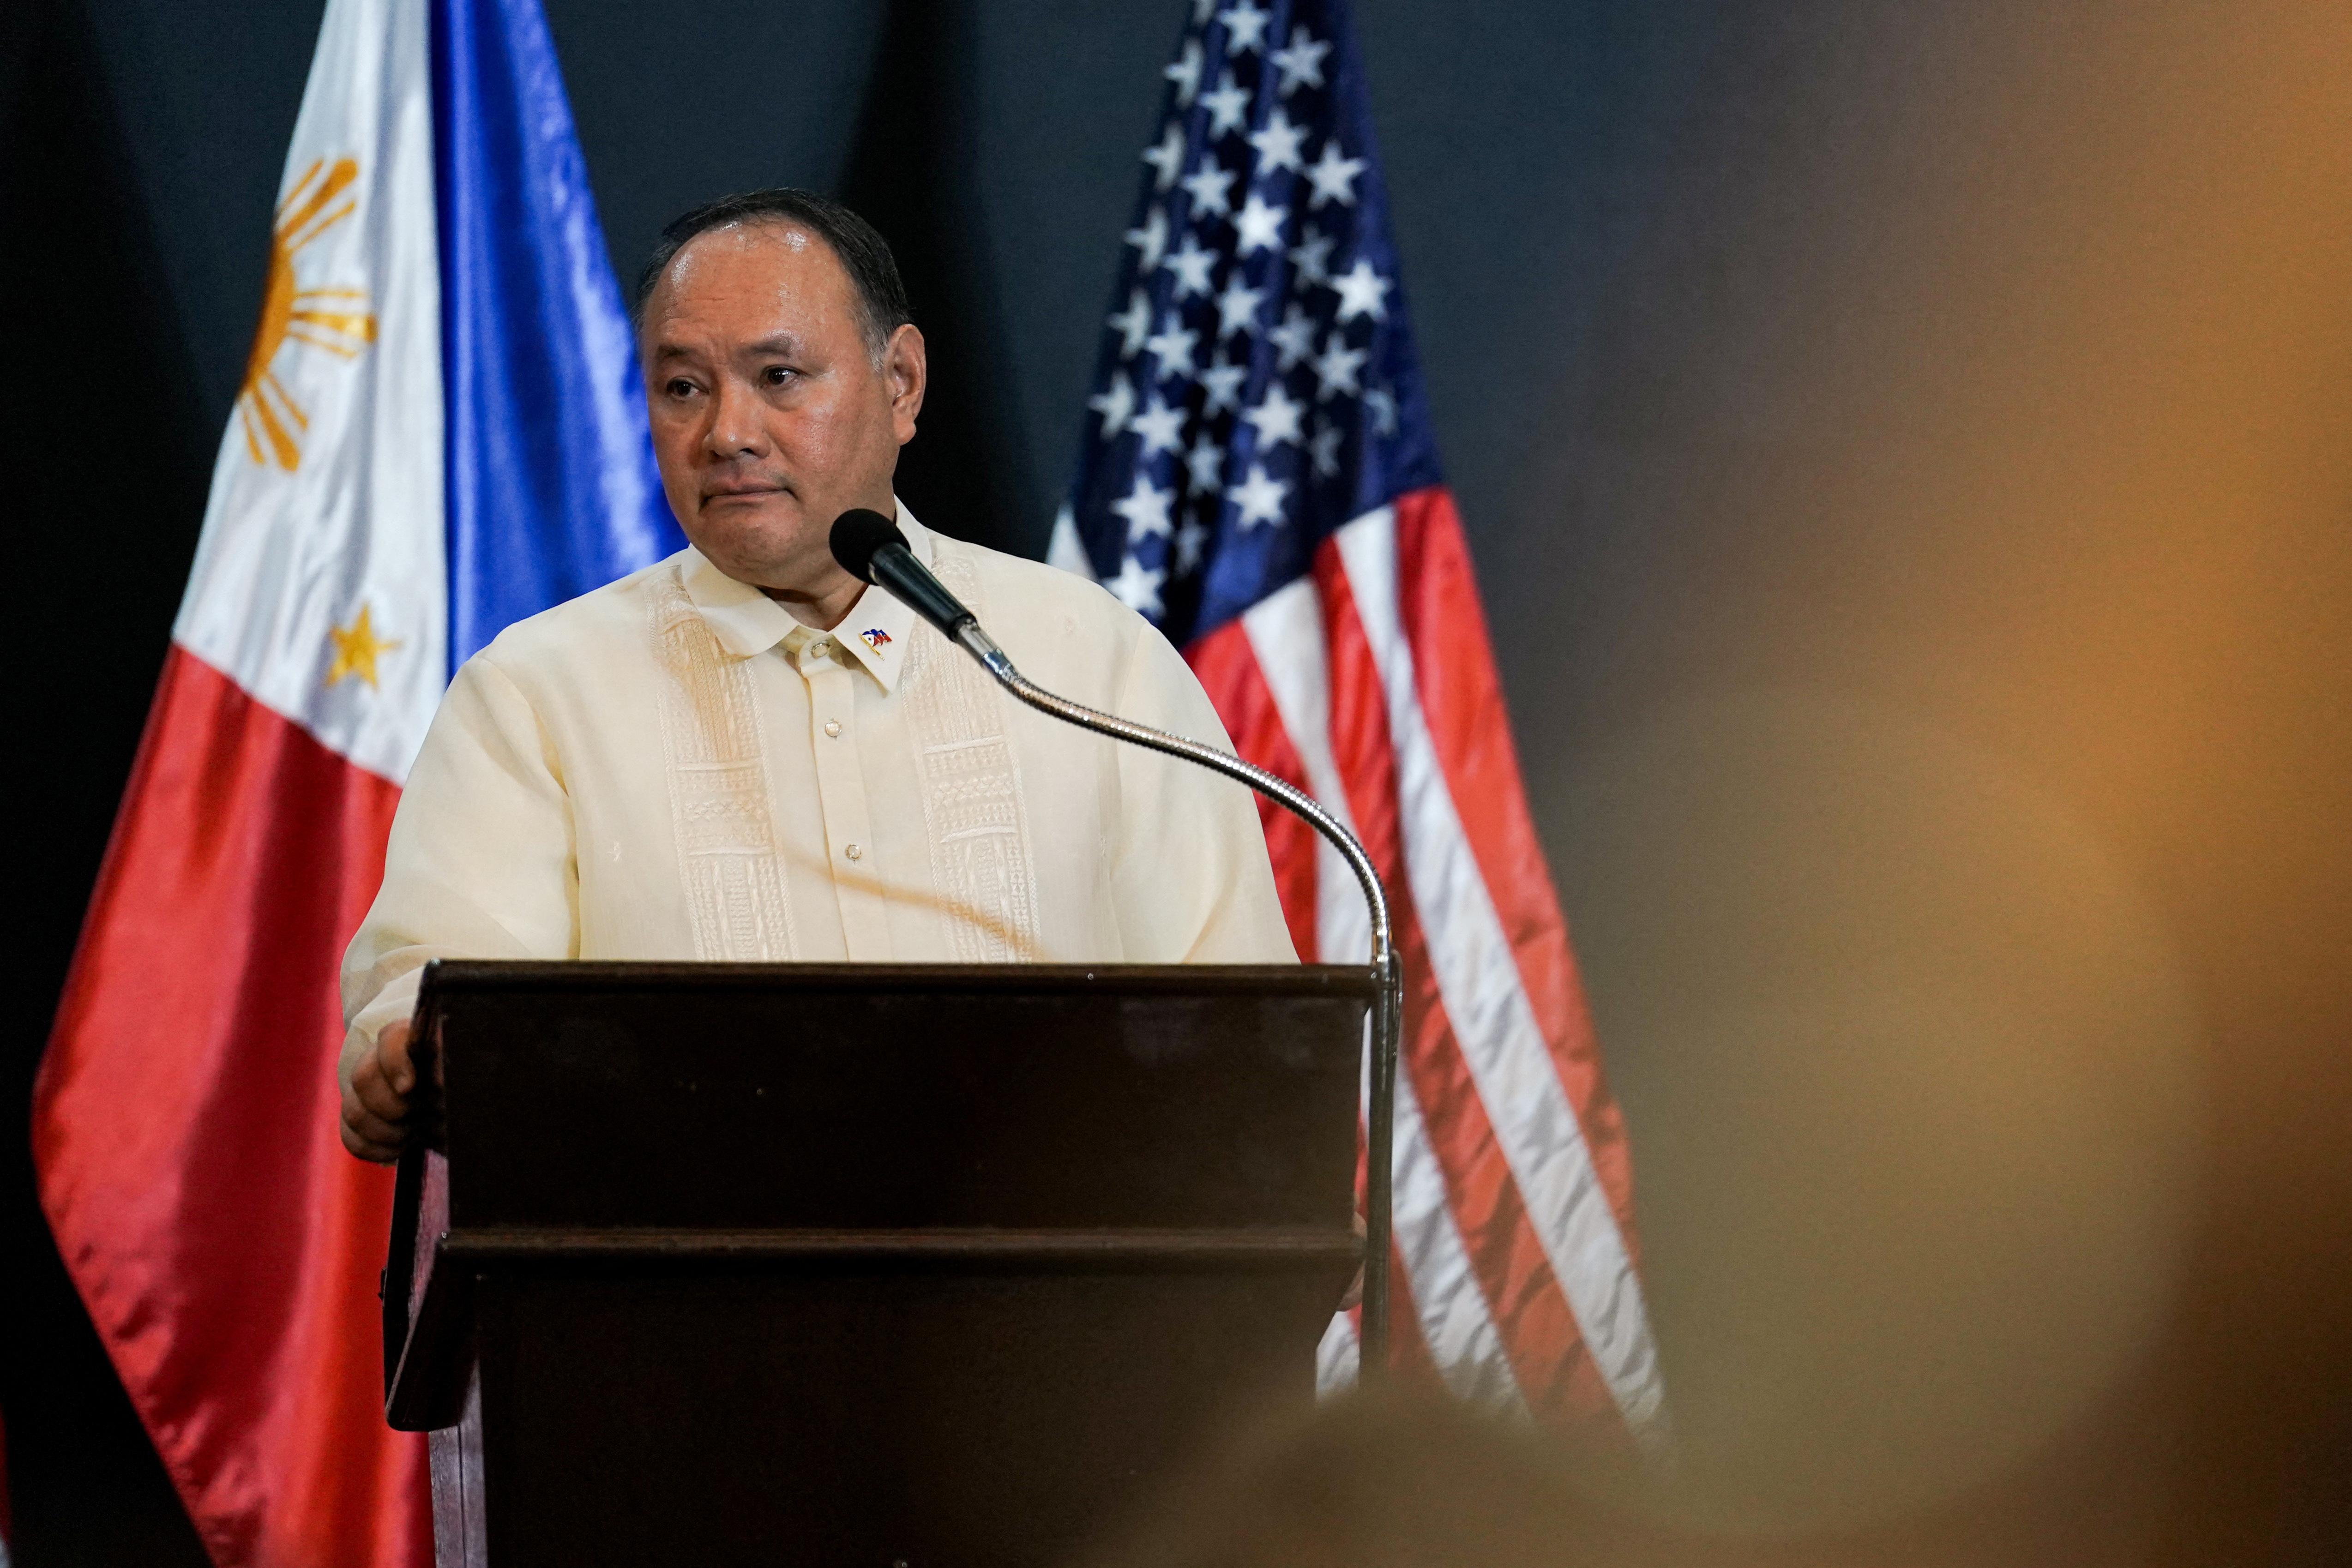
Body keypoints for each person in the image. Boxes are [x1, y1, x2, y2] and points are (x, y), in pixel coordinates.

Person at [338, 189, 1294, 1162]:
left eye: (780, 376)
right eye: (682, 389)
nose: (727, 433)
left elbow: (1236, 1025)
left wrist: (1267, 1178)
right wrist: (409, 1051)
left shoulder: (1087, 661)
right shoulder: (539, 693)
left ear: (902, 383)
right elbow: (439, 990)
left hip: (1058, 1283)